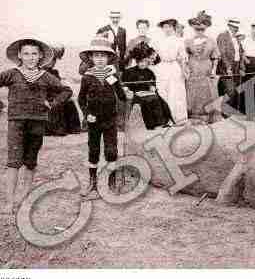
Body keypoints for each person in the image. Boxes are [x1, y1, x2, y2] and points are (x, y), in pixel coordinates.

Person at [0, 38, 72, 214]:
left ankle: (22, 200)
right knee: (13, 162)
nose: (30, 58)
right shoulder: (12, 73)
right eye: (26, 54)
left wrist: (52, 104)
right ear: (19, 55)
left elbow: (66, 91)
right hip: (16, 121)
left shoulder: (46, 76)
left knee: (30, 162)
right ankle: (9, 203)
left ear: (40, 56)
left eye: (34, 54)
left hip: (38, 121)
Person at [78, 37, 127, 199]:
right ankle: (92, 183)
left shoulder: (111, 75)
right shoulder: (87, 77)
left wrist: (122, 86)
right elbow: (81, 99)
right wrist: (87, 115)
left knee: (111, 151)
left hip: (110, 120)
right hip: (93, 121)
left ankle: (111, 182)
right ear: (91, 58)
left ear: (108, 58)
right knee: (93, 151)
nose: (100, 59)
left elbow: (121, 96)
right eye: (96, 55)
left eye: (103, 56)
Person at [122, 42, 170, 130]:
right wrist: (126, 89)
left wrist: (152, 87)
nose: (143, 64)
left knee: (157, 99)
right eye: (140, 62)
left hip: (147, 93)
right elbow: (124, 84)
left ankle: (160, 122)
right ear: (137, 61)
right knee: (146, 102)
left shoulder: (149, 72)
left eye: (145, 62)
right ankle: (150, 125)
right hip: (134, 94)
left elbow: (152, 83)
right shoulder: (129, 71)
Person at [185, 11, 220, 122]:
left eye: (202, 29)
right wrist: (186, 69)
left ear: (205, 28)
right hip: (193, 68)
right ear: (193, 29)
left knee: (207, 91)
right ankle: (194, 114)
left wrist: (214, 70)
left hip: (206, 68)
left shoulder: (211, 41)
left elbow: (215, 57)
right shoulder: (188, 41)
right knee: (193, 91)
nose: (199, 31)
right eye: (197, 29)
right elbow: (184, 57)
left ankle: (208, 115)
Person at [152, 18, 188, 124]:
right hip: (161, 67)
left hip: (174, 67)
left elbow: (182, 57)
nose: (167, 29)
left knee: (176, 92)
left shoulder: (179, 40)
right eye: (165, 27)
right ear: (162, 28)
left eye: (169, 27)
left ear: (173, 28)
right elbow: (153, 55)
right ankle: (165, 119)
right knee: (162, 91)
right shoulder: (158, 41)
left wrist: (184, 70)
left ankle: (178, 118)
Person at [42, 44, 82, 136]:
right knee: (56, 105)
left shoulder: (53, 73)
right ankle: (56, 129)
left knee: (69, 102)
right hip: (42, 101)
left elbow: (60, 88)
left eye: (54, 60)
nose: (53, 62)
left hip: (52, 99)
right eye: (51, 59)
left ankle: (72, 128)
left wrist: (60, 97)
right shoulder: (37, 72)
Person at [216, 18, 244, 112]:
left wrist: (241, 66)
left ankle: (228, 110)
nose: (236, 29)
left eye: (237, 27)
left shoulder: (236, 38)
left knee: (235, 89)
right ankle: (224, 110)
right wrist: (228, 67)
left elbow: (240, 52)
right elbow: (222, 53)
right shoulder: (222, 36)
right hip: (226, 66)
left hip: (236, 65)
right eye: (234, 27)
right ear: (229, 26)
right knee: (229, 89)